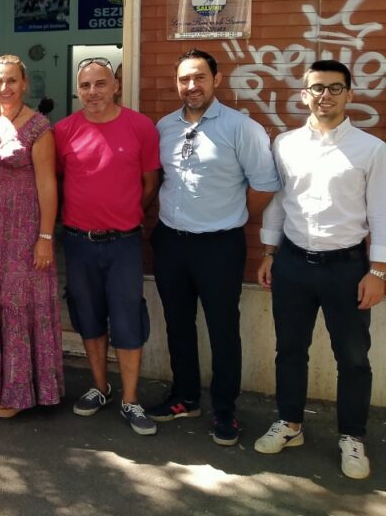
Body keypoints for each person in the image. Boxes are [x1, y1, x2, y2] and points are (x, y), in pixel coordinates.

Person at [255, 59, 385, 480]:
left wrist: (378, 272)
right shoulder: (286, 144)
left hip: (346, 269)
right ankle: (290, 423)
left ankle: (352, 436)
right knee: (290, 350)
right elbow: (278, 202)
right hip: (293, 263)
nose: (324, 95)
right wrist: (269, 252)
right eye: (317, 88)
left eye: (334, 88)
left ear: (349, 93)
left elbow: (381, 212)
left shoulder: (371, 149)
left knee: (353, 357)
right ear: (304, 94)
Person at [148, 49, 279, 445]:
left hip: (219, 245)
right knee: (178, 323)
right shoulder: (164, 126)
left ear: (216, 80)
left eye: (200, 77)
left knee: (223, 328)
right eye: (184, 79)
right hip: (171, 241)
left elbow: (264, 186)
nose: (192, 86)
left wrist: (232, 214)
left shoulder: (241, 128)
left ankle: (225, 409)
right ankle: (185, 397)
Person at [53, 56, 160, 436]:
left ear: (115, 85)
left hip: (124, 243)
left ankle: (131, 399)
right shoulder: (63, 131)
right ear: (77, 91)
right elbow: (58, 182)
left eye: (100, 84)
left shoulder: (140, 127)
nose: (93, 92)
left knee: (128, 319)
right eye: (85, 86)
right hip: (78, 243)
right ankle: (100, 388)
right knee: (88, 316)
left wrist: (126, 214)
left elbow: (151, 183)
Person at [0, 55, 63, 418]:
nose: (4, 87)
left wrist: (45, 236)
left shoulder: (39, 127)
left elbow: (47, 184)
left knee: (16, 299)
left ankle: (19, 389)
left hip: (23, 224)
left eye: (11, 80)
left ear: (24, 84)